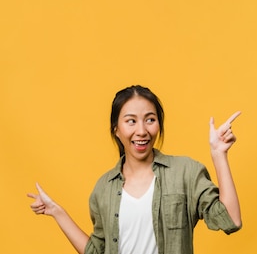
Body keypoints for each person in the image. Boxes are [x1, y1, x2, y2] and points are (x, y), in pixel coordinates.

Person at [27, 85, 242, 254]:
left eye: (150, 120)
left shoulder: (186, 173)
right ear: (116, 130)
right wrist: (56, 211)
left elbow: (231, 220)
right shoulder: (103, 189)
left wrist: (219, 155)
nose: (142, 131)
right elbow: (96, 252)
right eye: (131, 121)